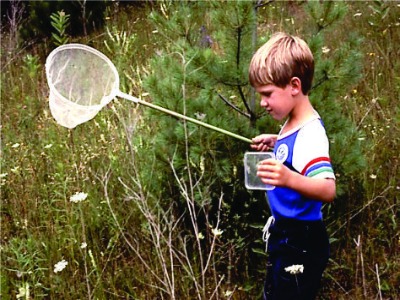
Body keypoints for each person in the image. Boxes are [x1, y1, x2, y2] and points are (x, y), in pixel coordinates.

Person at [248, 32, 336, 299]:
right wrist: (277, 143)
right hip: (287, 233)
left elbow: (327, 189)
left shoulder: (310, 134)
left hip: (301, 240)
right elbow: (297, 155)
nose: (262, 102)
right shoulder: (294, 122)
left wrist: (287, 178)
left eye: (267, 94)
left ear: (294, 85)